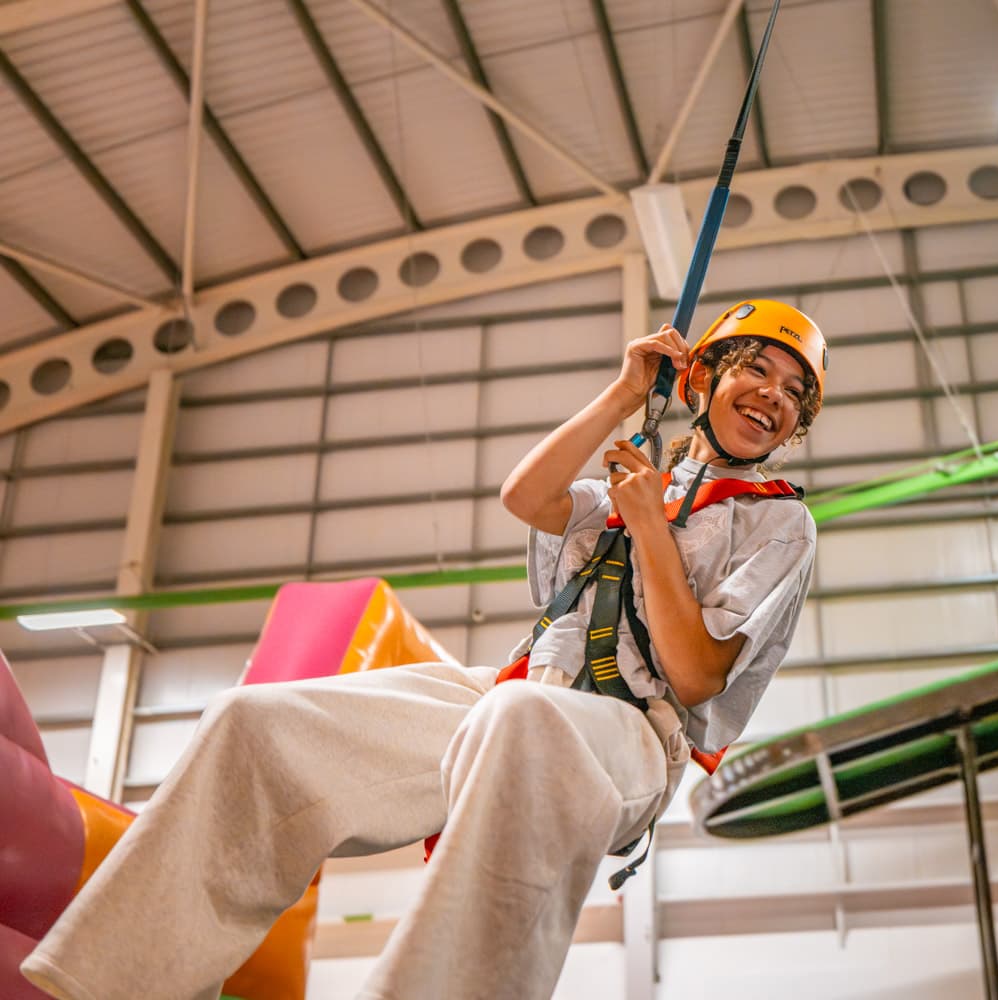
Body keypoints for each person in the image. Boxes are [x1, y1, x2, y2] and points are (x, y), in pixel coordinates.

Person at [22, 299, 828, 1000]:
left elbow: (694, 674)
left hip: (629, 734)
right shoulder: (630, 484)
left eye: (794, 393)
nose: (773, 397)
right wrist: (624, 394)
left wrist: (650, 525)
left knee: (523, 718)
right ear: (701, 379)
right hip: (521, 687)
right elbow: (528, 495)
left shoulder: (779, 523)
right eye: (755, 369)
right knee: (257, 725)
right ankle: (117, 981)